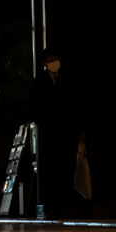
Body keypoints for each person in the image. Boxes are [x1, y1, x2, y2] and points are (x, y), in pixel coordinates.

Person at [27, 49, 87, 218]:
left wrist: (80, 131)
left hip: (67, 132)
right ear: (44, 63)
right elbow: (32, 108)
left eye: (56, 58)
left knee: (67, 168)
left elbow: (78, 106)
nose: (54, 62)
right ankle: (50, 207)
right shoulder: (38, 82)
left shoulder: (69, 80)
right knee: (48, 171)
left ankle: (65, 206)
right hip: (47, 134)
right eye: (51, 59)